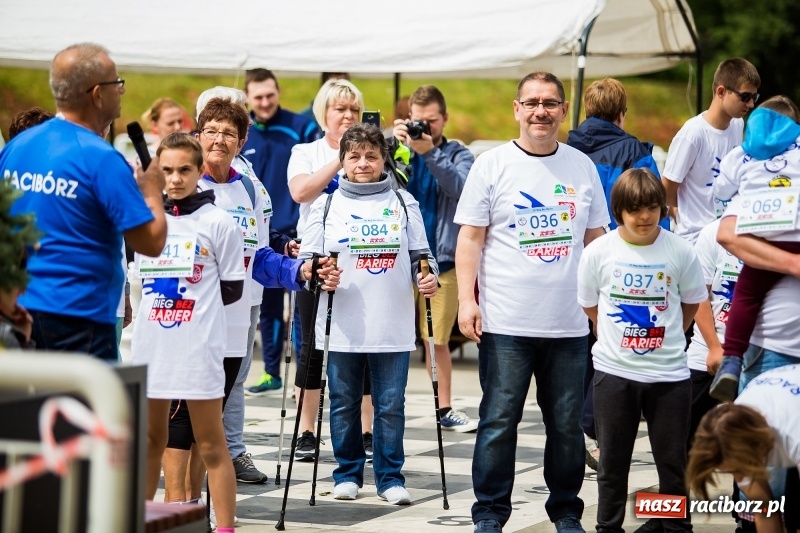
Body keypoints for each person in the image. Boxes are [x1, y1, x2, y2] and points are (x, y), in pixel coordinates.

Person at [455, 71, 609, 533]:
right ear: (517, 110)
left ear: (564, 111)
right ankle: (489, 514)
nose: (541, 111)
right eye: (532, 102)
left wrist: (601, 311)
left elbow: (597, 240)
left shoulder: (581, 166)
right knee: (498, 421)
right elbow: (470, 239)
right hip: (506, 324)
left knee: (565, 427)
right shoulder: (492, 164)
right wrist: (466, 299)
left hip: (568, 325)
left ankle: (565, 512)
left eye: (550, 103)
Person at [0, 42, 167, 361]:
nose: (121, 90)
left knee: (29, 408)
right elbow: (150, 242)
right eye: (117, 83)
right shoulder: (102, 159)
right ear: (97, 94)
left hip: (18, 311)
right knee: (83, 410)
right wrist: (152, 192)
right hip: (80, 318)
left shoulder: (18, 147)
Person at [300, 123, 438, 504]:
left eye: (372, 156)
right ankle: (347, 473)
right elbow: (306, 262)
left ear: (384, 161)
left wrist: (429, 278)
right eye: (354, 156)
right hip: (341, 322)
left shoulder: (403, 203)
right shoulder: (326, 205)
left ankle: (390, 478)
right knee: (343, 400)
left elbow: (421, 257)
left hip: (391, 321)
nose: (363, 163)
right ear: (342, 161)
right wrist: (318, 273)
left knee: (390, 404)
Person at [577, 168, 706, 533]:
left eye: (651, 208)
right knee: (612, 465)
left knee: (671, 464)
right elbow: (589, 304)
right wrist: (613, 335)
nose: (644, 217)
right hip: (614, 375)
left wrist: (669, 334)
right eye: (635, 210)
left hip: (670, 377)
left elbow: (693, 302)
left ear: (662, 209)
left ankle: (675, 529)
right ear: (619, 211)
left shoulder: (680, 249)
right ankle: (609, 528)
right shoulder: (598, 251)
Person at [132, 132, 244, 533]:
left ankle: (226, 527)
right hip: (151, 348)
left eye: (184, 170)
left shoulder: (218, 222)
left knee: (212, 444)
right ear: (155, 173)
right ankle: (141, 521)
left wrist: (192, 313)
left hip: (198, 349)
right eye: (166, 171)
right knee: (148, 441)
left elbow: (232, 288)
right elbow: (136, 282)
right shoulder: (144, 220)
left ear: (200, 171)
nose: (175, 179)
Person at [567, 77, 667, 469]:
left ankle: (576, 423)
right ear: (621, 113)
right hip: (624, 259)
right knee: (612, 343)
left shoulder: (566, 148)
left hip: (573, 258)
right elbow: (653, 204)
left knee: (580, 346)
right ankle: (592, 424)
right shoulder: (633, 150)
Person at [288, 78, 371, 461]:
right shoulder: (305, 151)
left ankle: (367, 429)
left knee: (366, 341)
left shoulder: (370, 152)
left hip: (365, 255)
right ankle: (307, 429)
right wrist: (341, 157)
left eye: (354, 109)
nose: (348, 116)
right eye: (340, 109)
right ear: (324, 113)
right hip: (316, 257)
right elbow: (301, 192)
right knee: (311, 344)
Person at [391, 85, 477, 432]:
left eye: (431, 121)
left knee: (435, 340)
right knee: (390, 336)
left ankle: (444, 409)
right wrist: (392, 147)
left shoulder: (458, 153)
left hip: (441, 261)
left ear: (445, 118)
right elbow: (381, 184)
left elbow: (463, 190)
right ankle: (387, 406)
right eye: (417, 121)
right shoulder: (399, 149)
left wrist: (429, 153)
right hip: (396, 258)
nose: (423, 129)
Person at [707, 96, 800, 401]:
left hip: (762, 237)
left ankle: (732, 358)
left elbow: (719, 190)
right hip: (795, 235)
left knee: (746, 294)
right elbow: (726, 234)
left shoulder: (741, 155)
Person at [241, 68, 320, 396]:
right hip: (263, 233)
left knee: (302, 309)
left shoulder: (300, 126)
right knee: (269, 308)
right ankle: (271, 371)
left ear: (279, 91)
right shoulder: (242, 132)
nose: (264, 102)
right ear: (248, 97)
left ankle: (303, 377)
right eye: (257, 97)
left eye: (269, 95)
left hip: (297, 229)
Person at [687, 364, 800, 533]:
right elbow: (764, 510)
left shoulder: (793, 432)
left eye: (736, 469)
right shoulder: (733, 431)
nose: (737, 475)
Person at [661, 58, 760, 244]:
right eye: (745, 97)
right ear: (721, 91)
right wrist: (684, 217)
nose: (751, 104)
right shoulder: (692, 134)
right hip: (695, 239)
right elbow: (667, 187)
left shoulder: (737, 124)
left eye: (755, 97)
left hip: (727, 235)